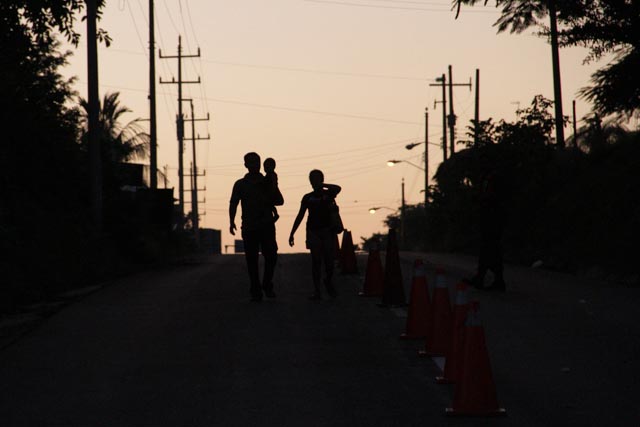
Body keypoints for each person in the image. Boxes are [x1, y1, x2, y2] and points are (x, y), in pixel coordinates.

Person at [229, 152, 284, 301]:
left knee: (271, 256)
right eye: (251, 162)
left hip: (266, 225)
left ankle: (266, 284)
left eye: (256, 162)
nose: (254, 165)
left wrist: (273, 183)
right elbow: (233, 202)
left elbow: (279, 201)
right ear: (245, 165)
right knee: (251, 260)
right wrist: (231, 221)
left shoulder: (267, 181)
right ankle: (255, 289)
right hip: (249, 227)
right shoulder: (240, 184)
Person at [289, 170, 341, 300]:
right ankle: (317, 291)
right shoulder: (307, 197)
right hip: (313, 232)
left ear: (322, 179)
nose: (314, 181)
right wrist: (292, 233)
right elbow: (300, 215)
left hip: (328, 231)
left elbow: (338, 188)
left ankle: (328, 281)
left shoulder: (329, 194)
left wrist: (324, 185)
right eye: (312, 179)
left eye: (318, 179)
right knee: (316, 262)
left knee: (329, 262)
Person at [470, 170, 507, 292]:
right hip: (491, 226)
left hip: (492, 226)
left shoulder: (494, 193)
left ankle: (490, 279)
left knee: (490, 252)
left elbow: (489, 204)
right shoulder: (492, 189)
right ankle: (486, 278)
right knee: (489, 252)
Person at [263, 157, 281, 223]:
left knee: (270, 204)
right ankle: (275, 215)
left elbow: (273, 184)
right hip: (270, 192)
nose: (265, 169)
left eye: (267, 167)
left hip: (272, 193)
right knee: (270, 205)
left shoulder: (272, 175)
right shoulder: (268, 175)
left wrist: (273, 192)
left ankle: (276, 215)